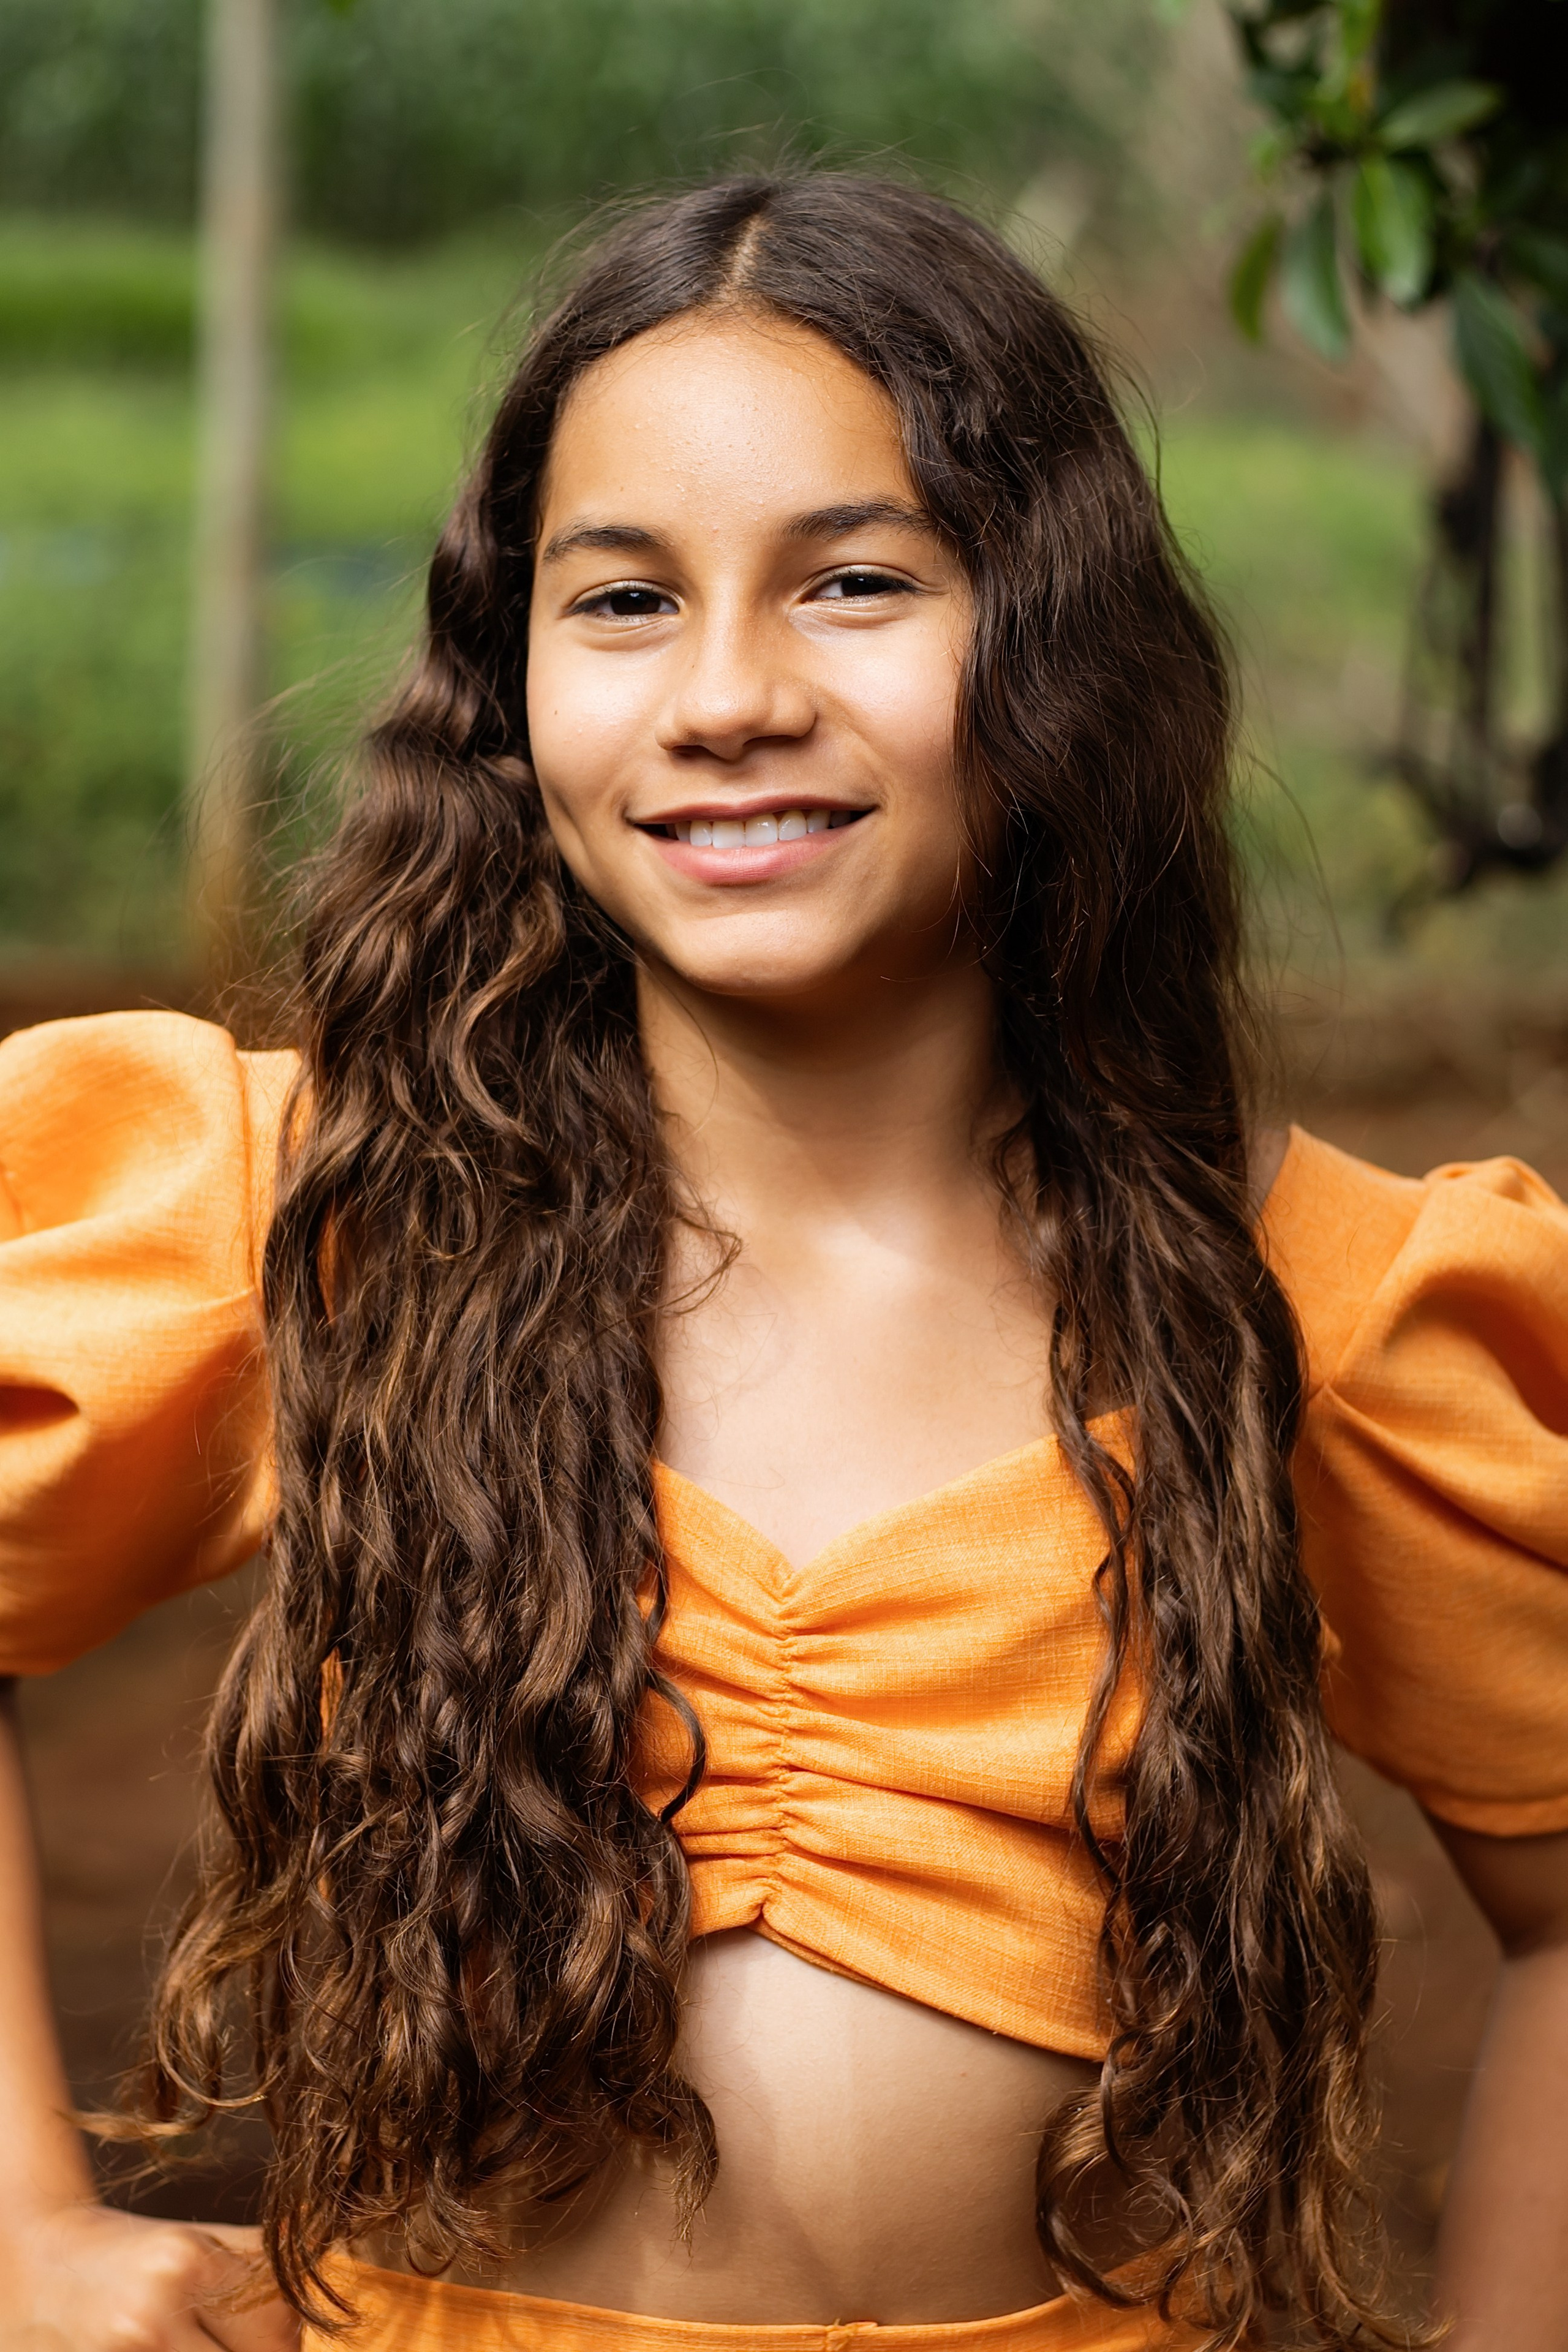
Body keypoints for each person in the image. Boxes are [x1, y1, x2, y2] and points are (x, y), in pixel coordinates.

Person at [1, 173, 1566, 2352]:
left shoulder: (1302, 1298)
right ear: (507, 668)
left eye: (853, 581)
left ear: (1049, 636)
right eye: (623, 602)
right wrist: (20, 2227)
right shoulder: (331, 1219)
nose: (726, 694)